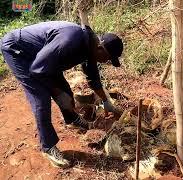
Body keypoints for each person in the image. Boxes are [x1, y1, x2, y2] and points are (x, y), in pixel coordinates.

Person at [0, 21, 123, 168]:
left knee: (65, 89)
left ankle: (73, 120)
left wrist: (106, 101)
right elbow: (37, 70)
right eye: (108, 58)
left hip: (44, 57)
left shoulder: (90, 47)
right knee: (41, 98)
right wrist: (57, 93)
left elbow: (93, 78)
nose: (106, 62)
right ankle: (48, 147)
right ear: (100, 48)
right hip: (18, 50)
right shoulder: (69, 42)